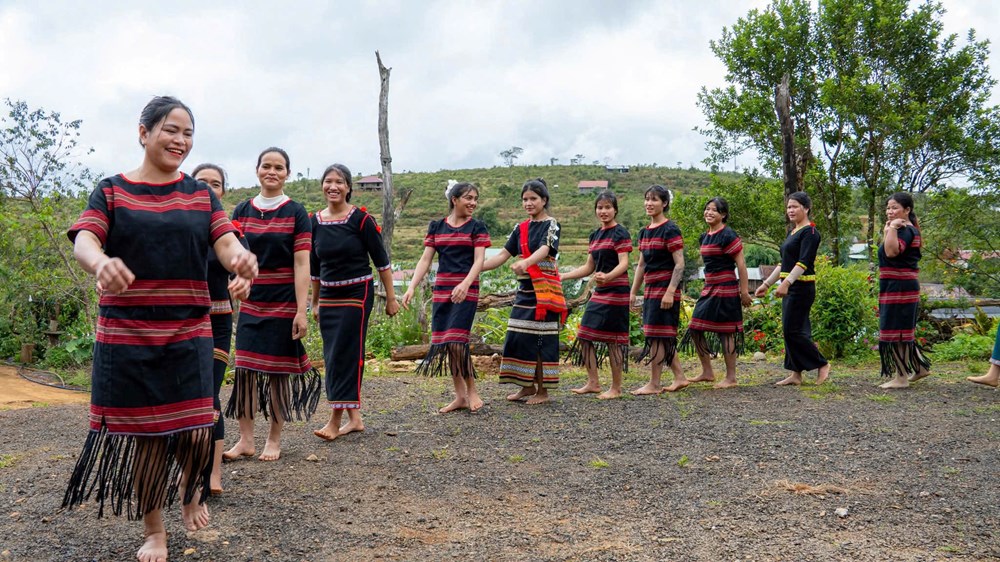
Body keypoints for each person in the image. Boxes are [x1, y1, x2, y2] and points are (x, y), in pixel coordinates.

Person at [62, 96, 257, 562]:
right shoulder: (111, 191)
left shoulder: (199, 194)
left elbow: (226, 242)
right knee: (148, 438)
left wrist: (241, 261)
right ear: (144, 132)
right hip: (128, 335)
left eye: (188, 133)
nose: (181, 140)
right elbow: (86, 239)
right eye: (172, 129)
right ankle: (155, 531)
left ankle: (190, 492)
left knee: (196, 427)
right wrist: (100, 262)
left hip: (190, 329)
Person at [224, 147, 321, 462]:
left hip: (284, 301)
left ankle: (274, 439)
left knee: (278, 374)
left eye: (279, 167)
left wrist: (300, 310)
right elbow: (232, 255)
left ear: (287, 174)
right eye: (267, 166)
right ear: (257, 170)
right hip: (251, 301)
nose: (272, 171)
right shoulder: (241, 210)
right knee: (245, 371)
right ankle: (246, 440)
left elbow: (302, 264)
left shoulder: (297, 213)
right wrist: (237, 282)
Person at [310, 164, 399, 440]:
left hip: (356, 295)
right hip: (328, 297)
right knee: (331, 354)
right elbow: (314, 268)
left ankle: (335, 421)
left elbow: (381, 262)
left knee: (344, 355)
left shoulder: (361, 220)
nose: (333, 186)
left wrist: (391, 298)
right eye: (328, 181)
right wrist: (314, 303)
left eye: (339, 182)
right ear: (322, 186)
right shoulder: (314, 221)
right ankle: (355, 419)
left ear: (348, 187)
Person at [401, 181, 491, 412]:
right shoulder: (437, 227)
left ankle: (472, 391)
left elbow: (479, 260)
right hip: (443, 290)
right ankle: (459, 395)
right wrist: (411, 287)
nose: (472, 203)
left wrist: (465, 283)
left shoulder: (477, 227)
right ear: (454, 199)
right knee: (448, 344)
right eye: (468, 198)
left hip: (466, 290)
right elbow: (425, 259)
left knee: (458, 341)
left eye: (475, 199)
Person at [192, 163, 251, 496]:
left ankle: (212, 474)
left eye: (216, 184)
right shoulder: (176, 223)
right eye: (203, 182)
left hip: (216, 320)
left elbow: (240, 259)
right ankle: (186, 469)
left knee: (209, 396)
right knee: (181, 398)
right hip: (179, 321)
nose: (210, 188)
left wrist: (243, 278)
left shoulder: (230, 230)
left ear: (223, 191)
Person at [482, 178, 566, 405]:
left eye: (533, 199)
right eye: (525, 199)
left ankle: (543, 392)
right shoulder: (520, 228)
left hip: (544, 292)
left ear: (544, 200)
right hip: (525, 291)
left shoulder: (552, 224)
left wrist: (527, 262)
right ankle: (527, 386)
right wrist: (475, 268)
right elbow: (502, 256)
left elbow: (546, 249)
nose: (528, 203)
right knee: (519, 337)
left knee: (541, 340)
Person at [756, 192, 831, 386]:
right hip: (790, 287)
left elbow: (803, 262)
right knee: (791, 330)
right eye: (789, 207)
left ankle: (821, 364)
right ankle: (795, 374)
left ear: (806, 208)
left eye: (795, 206)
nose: (790, 210)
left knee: (793, 330)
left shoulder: (810, 232)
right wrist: (766, 284)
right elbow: (784, 264)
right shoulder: (793, 232)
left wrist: (787, 283)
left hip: (802, 287)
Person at [562, 191, 632, 399]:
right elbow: (588, 267)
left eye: (607, 207)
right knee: (584, 336)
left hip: (617, 290)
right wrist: (563, 276)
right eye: (600, 207)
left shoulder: (620, 233)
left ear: (615, 209)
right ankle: (593, 382)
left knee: (614, 340)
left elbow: (624, 263)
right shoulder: (595, 235)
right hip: (600, 291)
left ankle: (616, 388)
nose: (603, 211)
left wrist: (608, 276)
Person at [681, 197, 752, 389]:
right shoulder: (705, 236)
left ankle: (731, 378)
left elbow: (742, 265)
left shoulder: (728, 235)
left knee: (726, 332)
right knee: (695, 327)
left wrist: (744, 292)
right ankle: (707, 371)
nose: (709, 213)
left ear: (723, 215)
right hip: (709, 287)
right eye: (707, 209)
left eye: (714, 210)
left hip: (726, 287)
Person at [630, 185, 689, 394]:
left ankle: (654, 384)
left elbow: (680, 264)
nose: (649, 203)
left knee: (658, 335)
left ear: (664, 203)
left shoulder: (670, 229)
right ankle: (680, 377)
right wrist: (633, 292)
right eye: (647, 199)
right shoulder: (644, 232)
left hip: (665, 288)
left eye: (654, 199)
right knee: (657, 334)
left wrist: (671, 291)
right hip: (651, 288)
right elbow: (641, 265)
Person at [877, 192, 931, 389]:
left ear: (907, 210)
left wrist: (891, 228)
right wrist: (888, 230)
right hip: (894, 285)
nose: (890, 212)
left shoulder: (905, 230)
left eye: (894, 208)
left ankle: (901, 378)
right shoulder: (899, 229)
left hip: (900, 286)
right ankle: (919, 368)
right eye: (888, 208)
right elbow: (886, 250)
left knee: (897, 331)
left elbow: (891, 252)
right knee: (900, 329)